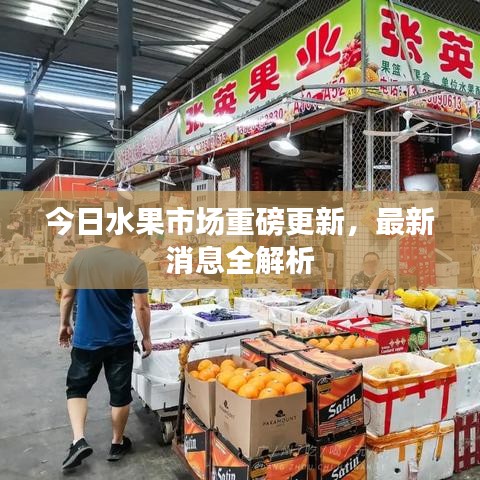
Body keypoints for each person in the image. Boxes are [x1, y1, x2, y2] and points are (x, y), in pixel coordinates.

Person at [58, 225, 152, 471]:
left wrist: (64, 324)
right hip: (119, 340)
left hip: (86, 339)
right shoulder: (134, 264)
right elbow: (141, 306)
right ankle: (116, 443)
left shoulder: (83, 257)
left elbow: (67, 296)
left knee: (77, 389)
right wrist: (146, 337)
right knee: (120, 394)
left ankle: (78, 440)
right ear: (133, 235)